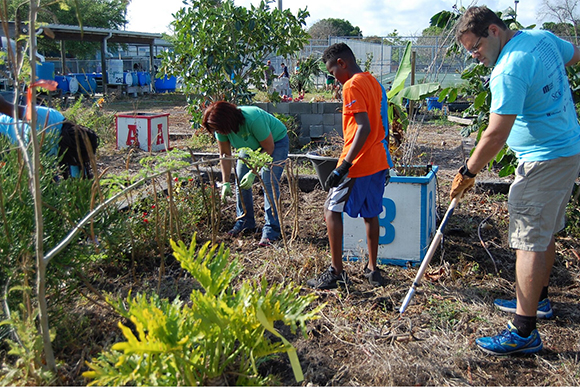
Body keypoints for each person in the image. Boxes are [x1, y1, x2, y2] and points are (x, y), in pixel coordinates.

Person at [451, 6, 580, 356]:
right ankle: (538, 301)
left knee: (528, 240)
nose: (475, 57)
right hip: (567, 148)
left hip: (543, 160)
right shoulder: (541, 39)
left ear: (494, 31)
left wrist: (468, 172)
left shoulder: (508, 69)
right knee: (544, 231)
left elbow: (494, 135)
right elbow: (573, 57)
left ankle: (524, 332)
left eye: (475, 48)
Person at [307, 43, 392, 289]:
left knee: (331, 210)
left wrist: (343, 166)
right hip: (377, 160)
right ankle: (373, 270)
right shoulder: (373, 81)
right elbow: (380, 123)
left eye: (333, 72)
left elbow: (363, 128)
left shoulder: (351, 85)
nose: (334, 78)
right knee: (371, 213)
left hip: (358, 162)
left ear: (342, 63)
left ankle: (336, 272)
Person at [202, 101, 289, 247]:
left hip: (276, 143)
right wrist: (225, 182)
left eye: (218, 129)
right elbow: (225, 155)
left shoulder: (253, 118)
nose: (218, 132)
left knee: (268, 182)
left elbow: (268, 148)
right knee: (240, 179)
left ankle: (272, 230)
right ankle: (245, 221)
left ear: (227, 121)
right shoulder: (220, 128)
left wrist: (253, 173)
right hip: (248, 148)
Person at [0, 94, 98, 178]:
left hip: (26, 155)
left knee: (48, 183)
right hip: (4, 136)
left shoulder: (74, 156)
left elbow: (78, 182)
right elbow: (5, 107)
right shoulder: (48, 117)